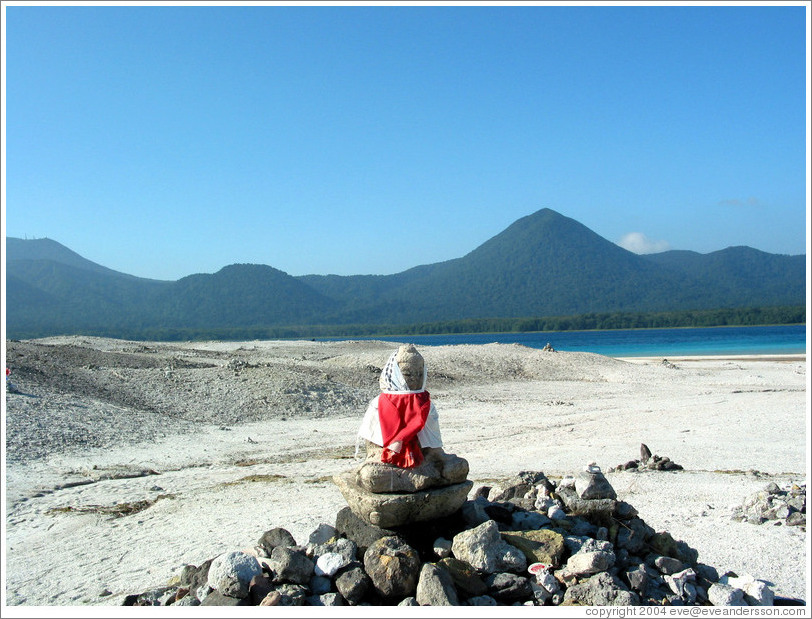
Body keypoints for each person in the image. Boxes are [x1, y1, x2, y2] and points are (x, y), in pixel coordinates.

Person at [356, 344, 442, 468]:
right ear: (395, 374)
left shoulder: (426, 403)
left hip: (424, 461)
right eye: (407, 375)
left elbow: (434, 449)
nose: (414, 379)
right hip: (385, 458)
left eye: (419, 374)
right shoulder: (379, 403)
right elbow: (373, 449)